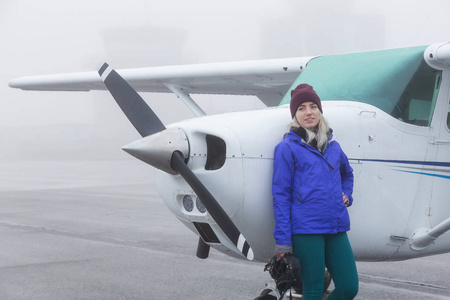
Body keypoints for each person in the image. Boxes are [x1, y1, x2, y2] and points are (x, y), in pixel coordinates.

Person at [272, 84, 359, 299]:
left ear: (320, 111)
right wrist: (283, 239)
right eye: (301, 108)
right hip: (306, 229)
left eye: (313, 106)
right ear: (295, 115)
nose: (308, 112)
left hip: (336, 225)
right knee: (312, 291)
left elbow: (347, 174)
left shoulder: (334, 147)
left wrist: (346, 195)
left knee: (349, 288)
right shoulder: (287, 148)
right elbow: (280, 194)